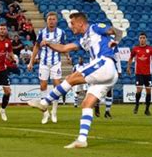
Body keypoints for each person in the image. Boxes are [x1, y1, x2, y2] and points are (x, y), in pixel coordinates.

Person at [27, 12, 122, 148]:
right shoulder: (83, 40)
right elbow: (64, 48)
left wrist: (115, 41)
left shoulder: (95, 28)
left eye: (72, 24)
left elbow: (118, 31)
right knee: (86, 104)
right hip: (106, 75)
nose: (70, 27)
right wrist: (48, 43)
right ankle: (82, 139)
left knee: (71, 78)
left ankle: (44, 102)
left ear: (80, 23)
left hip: (104, 63)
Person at [27, 12, 70, 124]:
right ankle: (45, 113)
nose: (51, 21)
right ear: (47, 20)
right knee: (43, 86)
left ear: (56, 21)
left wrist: (67, 56)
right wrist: (31, 62)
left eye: (53, 19)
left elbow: (64, 46)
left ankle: (54, 112)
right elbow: (36, 47)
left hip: (56, 63)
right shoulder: (42, 32)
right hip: (44, 63)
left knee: (57, 86)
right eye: (49, 19)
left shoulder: (61, 33)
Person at [127, 32, 152, 116]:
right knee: (139, 90)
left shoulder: (151, 49)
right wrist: (128, 67)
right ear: (139, 39)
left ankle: (147, 109)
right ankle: (136, 105)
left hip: (148, 74)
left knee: (148, 91)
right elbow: (131, 58)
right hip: (138, 73)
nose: (142, 39)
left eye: (143, 38)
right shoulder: (135, 49)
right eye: (141, 38)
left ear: (146, 39)